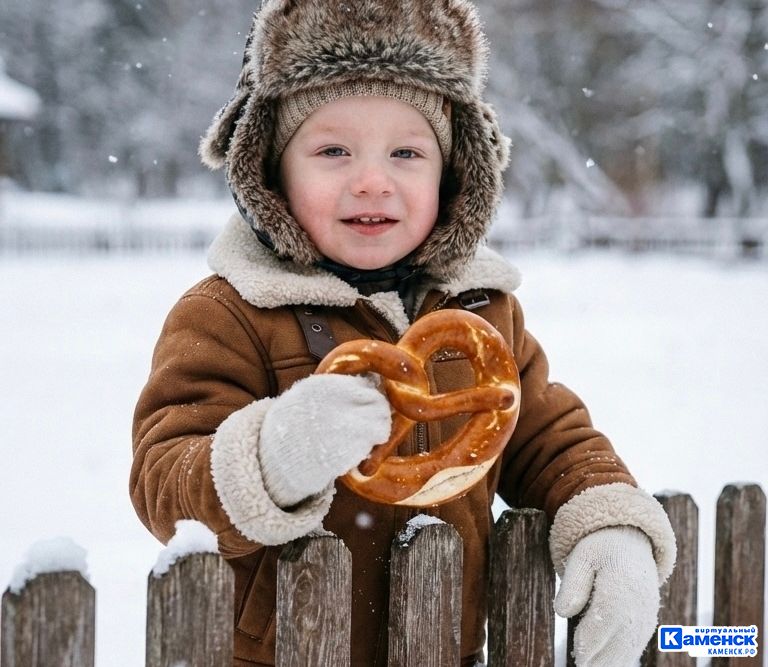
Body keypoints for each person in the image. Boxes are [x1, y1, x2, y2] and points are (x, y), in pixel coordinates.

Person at [130, 1, 676, 665]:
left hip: (445, 644)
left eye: (407, 152)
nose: (371, 180)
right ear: (269, 171)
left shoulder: (482, 310)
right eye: (333, 150)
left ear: (451, 176)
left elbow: (544, 437)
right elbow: (163, 480)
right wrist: (270, 457)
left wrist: (606, 521)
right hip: (285, 653)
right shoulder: (232, 312)